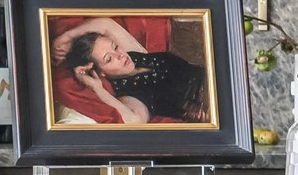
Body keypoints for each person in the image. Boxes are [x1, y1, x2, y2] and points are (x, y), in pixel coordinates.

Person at [51, 16, 210, 125]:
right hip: (210, 106)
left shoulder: (135, 55)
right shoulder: (130, 94)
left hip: (213, 78)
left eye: (115, 46)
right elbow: (135, 120)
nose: (120, 55)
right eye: (109, 59)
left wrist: (67, 36)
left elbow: (106, 25)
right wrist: (98, 89)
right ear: (100, 72)